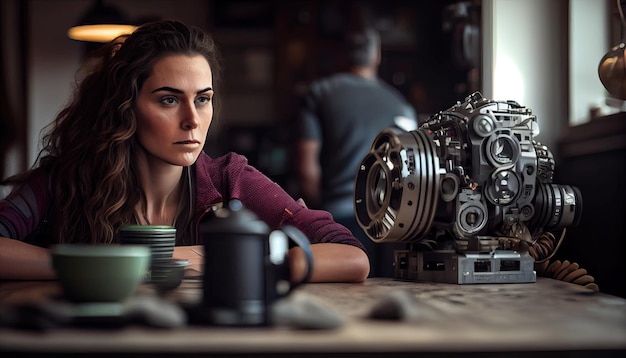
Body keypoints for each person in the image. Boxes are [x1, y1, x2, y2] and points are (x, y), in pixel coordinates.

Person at [0, 20, 369, 283]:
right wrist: (91, 266)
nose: (192, 120)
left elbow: (351, 256)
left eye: (203, 99)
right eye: (168, 100)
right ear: (125, 107)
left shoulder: (229, 178)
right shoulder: (68, 178)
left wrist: (234, 261)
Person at [295, 27, 417, 277]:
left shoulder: (320, 93)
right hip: (392, 225)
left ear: (343, 55)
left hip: (339, 219)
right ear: (377, 56)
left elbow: (307, 171)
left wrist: (320, 216)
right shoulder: (400, 104)